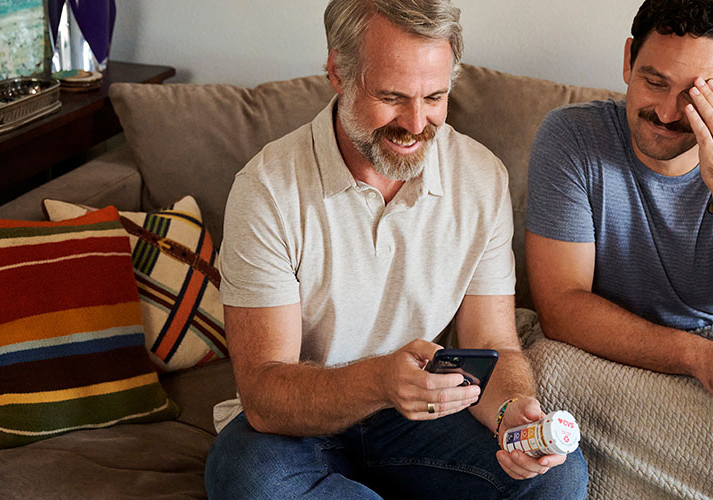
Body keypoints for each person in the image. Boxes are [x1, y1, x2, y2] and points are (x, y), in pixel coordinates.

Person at [204, 0, 588, 498]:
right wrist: (381, 381)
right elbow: (265, 396)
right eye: (391, 97)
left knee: (558, 475)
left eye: (434, 97)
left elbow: (494, 342)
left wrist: (508, 414)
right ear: (338, 73)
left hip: (422, 418)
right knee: (249, 478)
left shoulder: (480, 176)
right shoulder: (268, 189)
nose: (415, 122)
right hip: (296, 429)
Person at [525, 0, 713, 436]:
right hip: (607, 355)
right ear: (628, 61)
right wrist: (700, 359)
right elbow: (560, 309)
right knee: (543, 385)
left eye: (697, 95)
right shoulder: (572, 139)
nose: (668, 112)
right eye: (654, 82)